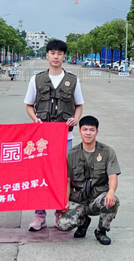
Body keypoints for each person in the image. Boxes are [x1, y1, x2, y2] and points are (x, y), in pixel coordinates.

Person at [24, 39, 84, 231]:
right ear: (47, 55)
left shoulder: (73, 80)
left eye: (59, 53)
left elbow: (79, 105)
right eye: (52, 53)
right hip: (42, 137)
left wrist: (75, 119)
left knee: (61, 176)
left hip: (64, 137)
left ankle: (60, 212)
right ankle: (39, 215)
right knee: (40, 174)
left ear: (64, 56)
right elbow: (29, 105)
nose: (56, 57)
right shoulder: (37, 79)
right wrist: (35, 119)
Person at [57, 116, 120, 245]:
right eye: (85, 129)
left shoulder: (107, 152)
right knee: (63, 224)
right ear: (80, 131)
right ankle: (84, 222)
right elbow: (67, 180)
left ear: (97, 132)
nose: (88, 133)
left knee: (112, 201)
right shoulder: (71, 154)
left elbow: (113, 176)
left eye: (92, 130)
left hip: (97, 198)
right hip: (78, 199)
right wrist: (64, 200)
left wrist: (111, 192)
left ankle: (101, 231)